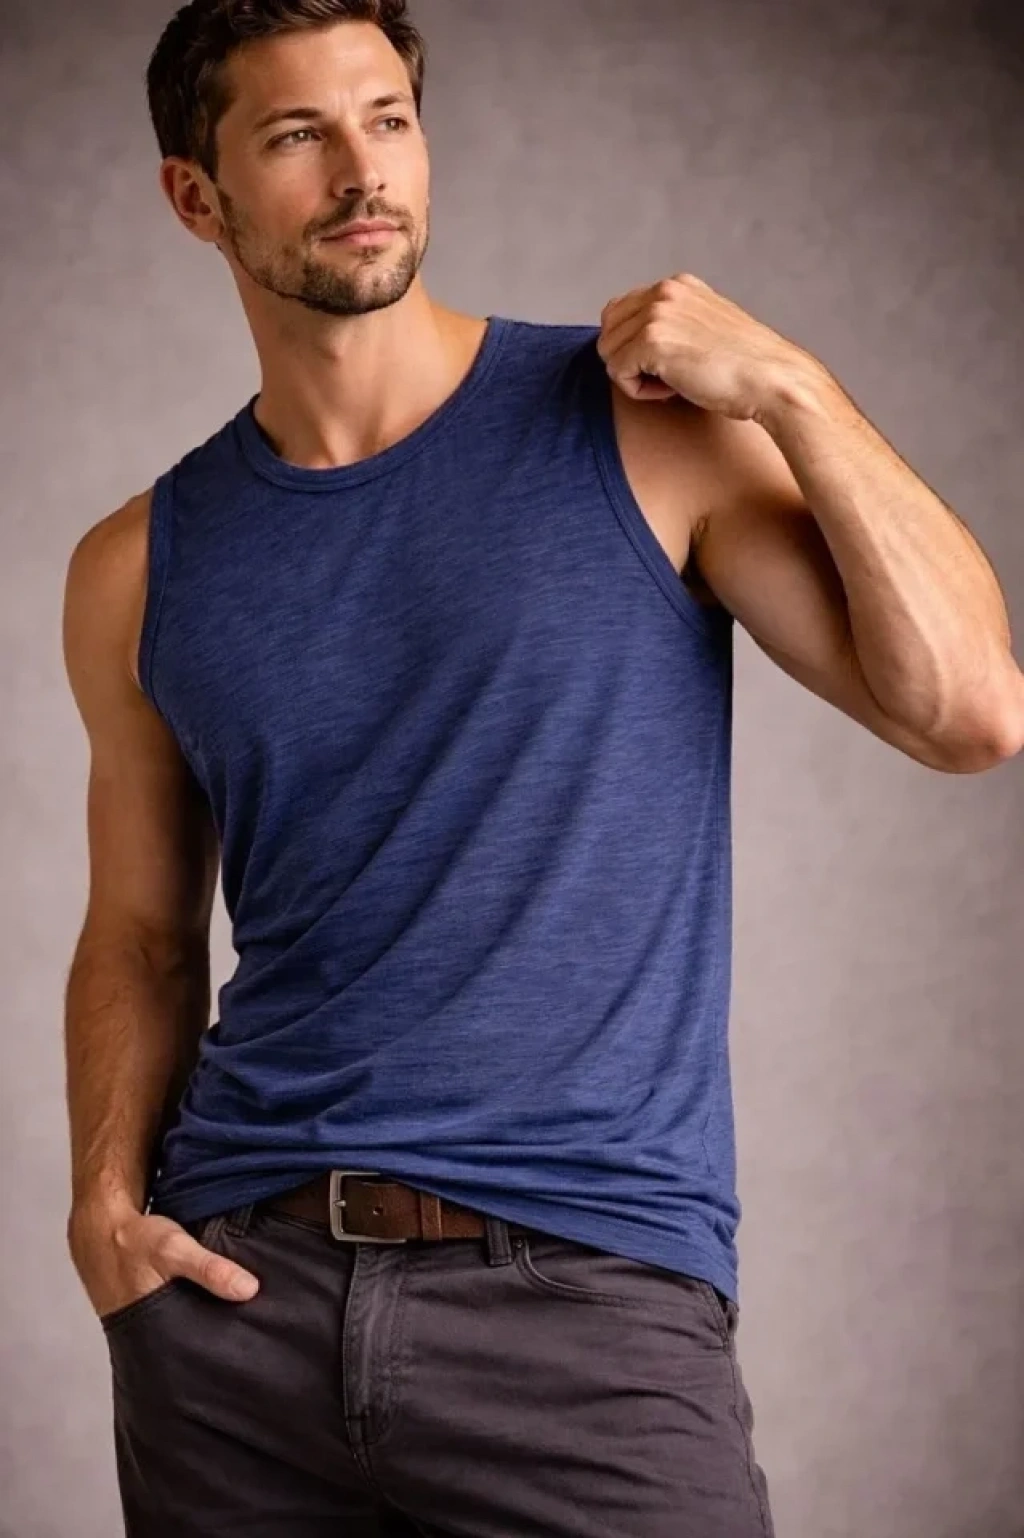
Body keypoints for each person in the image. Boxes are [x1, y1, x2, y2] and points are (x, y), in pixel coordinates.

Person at [60, 2, 1023, 1536]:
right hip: (239, 1316)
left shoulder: (642, 432)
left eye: (388, 118)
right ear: (197, 195)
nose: (363, 171)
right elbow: (141, 933)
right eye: (299, 135)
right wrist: (105, 1209)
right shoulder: (138, 564)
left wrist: (793, 388)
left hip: (583, 1299)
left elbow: (969, 712)